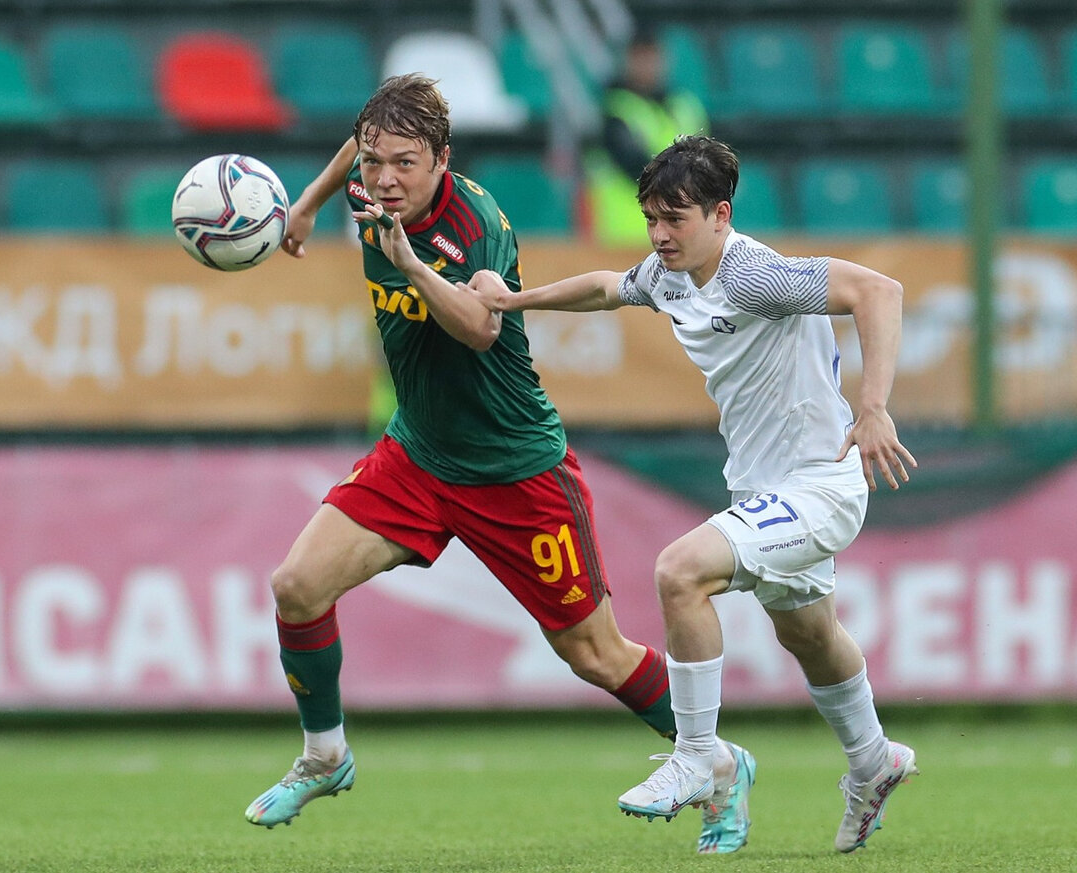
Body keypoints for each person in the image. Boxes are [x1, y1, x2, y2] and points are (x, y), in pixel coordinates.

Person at [244, 75, 754, 856]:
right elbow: (358, 142)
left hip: (517, 469)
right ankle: (325, 755)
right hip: (418, 454)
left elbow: (480, 329)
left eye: (404, 164)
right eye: (376, 162)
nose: (383, 178)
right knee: (295, 585)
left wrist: (413, 266)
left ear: (441, 160)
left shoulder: (473, 227)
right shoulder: (370, 174)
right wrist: (311, 201)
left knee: (594, 653)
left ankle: (719, 761)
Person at [466, 134, 919, 854]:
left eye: (675, 218)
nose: (659, 234)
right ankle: (874, 760)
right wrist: (515, 299)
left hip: (822, 482)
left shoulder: (754, 275)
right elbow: (607, 288)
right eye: (652, 217)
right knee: (809, 633)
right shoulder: (670, 273)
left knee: (681, 571)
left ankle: (699, 757)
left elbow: (879, 291)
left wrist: (874, 406)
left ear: (720, 214)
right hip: (761, 482)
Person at [587, 27, 708, 248]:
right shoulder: (616, 109)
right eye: (639, 57)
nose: (646, 65)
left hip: (682, 237)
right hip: (623, 235)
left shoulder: (686, 106)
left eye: (651, 56)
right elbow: (635, 165)